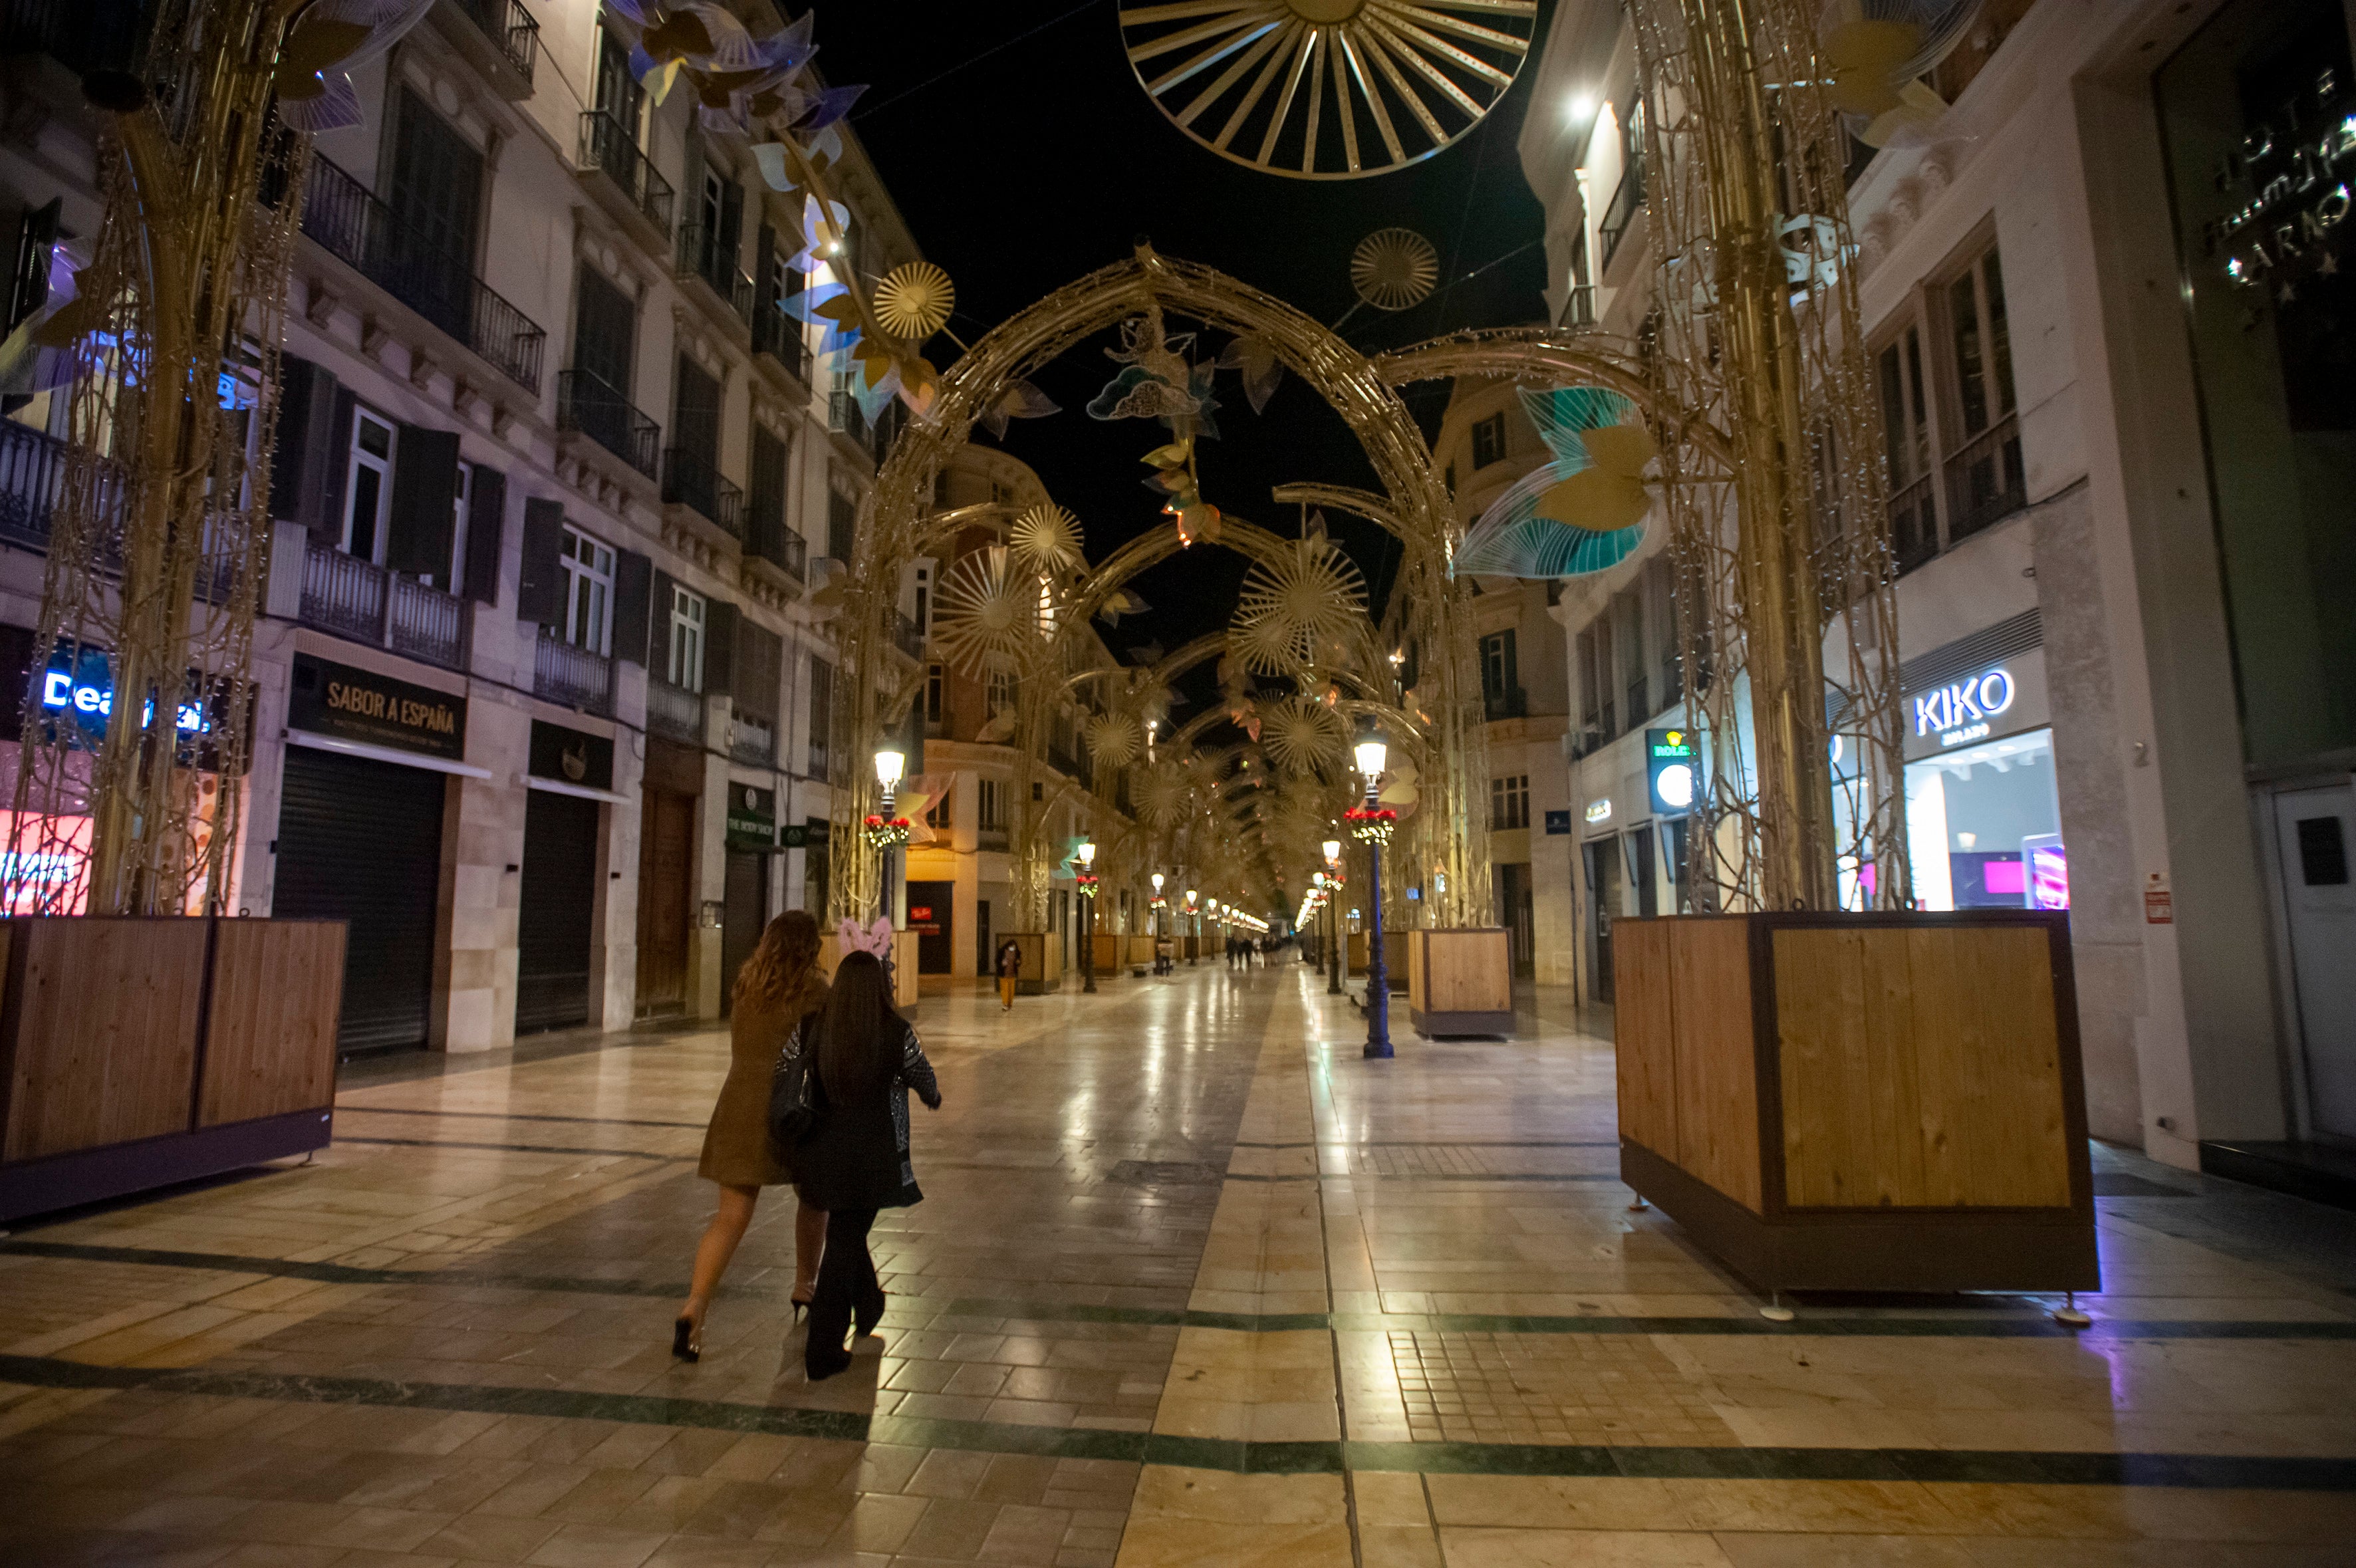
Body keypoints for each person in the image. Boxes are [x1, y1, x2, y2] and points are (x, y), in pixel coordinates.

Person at [777, 950, 940, 1380]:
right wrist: (932, 1096)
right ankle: (823, 1349)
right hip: (869, 1159)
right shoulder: (895, 1031)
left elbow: (784, 1070)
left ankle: (869, 1306)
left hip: (817, 1154)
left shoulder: (812, 1026)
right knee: (845, 1239)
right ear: (880, 988)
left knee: (846, 1232)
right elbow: (923, 1076)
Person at [674, 911, 830, 1363]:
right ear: (809, 947)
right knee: (813, 1198)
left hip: (739, 1106)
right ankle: (805, 1286)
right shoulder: (814, 992)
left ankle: (695, 1305)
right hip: (792, 1110)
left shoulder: (746, 986)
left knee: (731, 1215)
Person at [994, 936, 1023, 1011]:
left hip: (1012, 974)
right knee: (1005, 990)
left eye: (1014, 947)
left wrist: (1018, 963)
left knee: (1011, 991)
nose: (1012, 948)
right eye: (1011, 947)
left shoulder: (1016, 953)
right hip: (1004, 974)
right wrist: (1002, 964)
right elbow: (997, 961)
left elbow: (1018, 962)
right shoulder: (1002, 952)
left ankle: (1010, 1004)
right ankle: (1005, 1004)